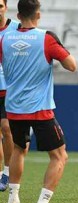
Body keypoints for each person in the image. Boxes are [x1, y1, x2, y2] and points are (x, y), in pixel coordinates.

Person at [0, 0, 77, 203]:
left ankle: (12, 200)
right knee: (60, 156)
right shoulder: (46, 38)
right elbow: (72, 65)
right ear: (39, 15)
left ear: (18, 15)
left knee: (18, 149)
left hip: (14, 108)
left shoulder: (5, 38)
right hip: (39, 108)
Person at [0, 0, 21, 192]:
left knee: (6, 128)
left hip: (8, 88)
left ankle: (6, 171)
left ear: (6, 7)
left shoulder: (16, 28)